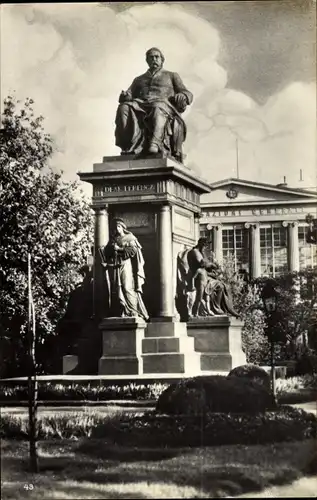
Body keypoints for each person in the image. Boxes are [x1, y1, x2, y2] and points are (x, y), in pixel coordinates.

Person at [115, 47, 193, 162]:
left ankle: (155, 143)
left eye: (157, 57)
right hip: (141, 105)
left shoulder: (171, 75)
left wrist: (184, 96)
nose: (154, 59)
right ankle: (128, 145)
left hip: (164, 105)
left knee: (157, 108)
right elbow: (129, 94)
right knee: (123, 108)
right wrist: (125, 96)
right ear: (147, 60)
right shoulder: (138, 79)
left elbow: (187, 92)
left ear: (162, 60)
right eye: (151, 57)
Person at [176, 238, 238, 319]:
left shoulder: (201, 252)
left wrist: (214, 269)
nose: (206, 248)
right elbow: (202, 263)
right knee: (220, 286)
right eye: (205, 246)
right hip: (199, 278)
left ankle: (225, 309)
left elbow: (205, 265)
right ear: (201, 244)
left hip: (205, 276)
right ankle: (215, 309)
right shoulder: (194, 252)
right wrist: (212, 265)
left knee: (225, 286)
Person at [100, 218, 149, 320]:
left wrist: (120, 249)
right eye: (116, 227)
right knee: (118, 288)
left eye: (119, 227)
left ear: (123, 227)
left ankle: (133, 311)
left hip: (126, 265)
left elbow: (133, 251)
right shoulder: (114, 239)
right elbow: (108, 253)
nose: (117, 229)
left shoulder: (130, 238)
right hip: (116, 266)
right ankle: (123, 310)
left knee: (127, 287)